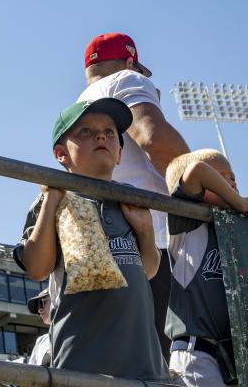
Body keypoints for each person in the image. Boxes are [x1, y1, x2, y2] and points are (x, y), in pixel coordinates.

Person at [13, 98, 169, 380]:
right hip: (82, 363)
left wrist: (145, 230)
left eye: (110, 132)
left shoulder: (130, 199)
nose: (101, 136)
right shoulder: (52, 198)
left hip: (144, 364)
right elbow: (37, 267)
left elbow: (148, 270)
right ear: (61, 153)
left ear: (120, 152)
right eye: (85, 131)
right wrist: (51, 200)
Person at [78, 32, 190, 359]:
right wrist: (208, 188)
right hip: (151, 240)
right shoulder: (125, 79)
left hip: (101, 240)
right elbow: (153, 136)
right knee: (166, 360)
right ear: (129, 62)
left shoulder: (76, 109)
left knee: (126, 360)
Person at [165, 149, 248, 386]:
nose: (231, 182)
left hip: (239, 359)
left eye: (233, 177)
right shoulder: (187, 223)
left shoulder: (237, 237)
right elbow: (197, 171)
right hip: (196, 351)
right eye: (221, 177)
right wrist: (241, 202)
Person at [26, 289, 51, 366]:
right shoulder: (41, 341)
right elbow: (32, 373)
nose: (39, 310)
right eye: (37, 307)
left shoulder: (78, 330)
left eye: (42, 303)